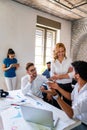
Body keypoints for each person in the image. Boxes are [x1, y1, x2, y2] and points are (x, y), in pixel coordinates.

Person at [47, 61, 87, 130]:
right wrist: (57, 87)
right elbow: (71, 97)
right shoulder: (78, 85)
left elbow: (71, 113)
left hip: (83, 124)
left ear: (77, 75)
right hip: (75, 119)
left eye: (73, 71)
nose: (71, 72)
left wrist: (56, 96)